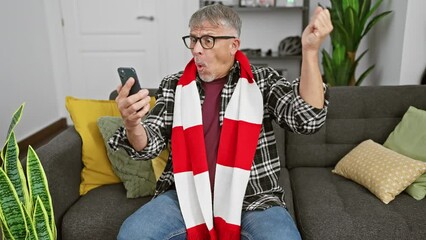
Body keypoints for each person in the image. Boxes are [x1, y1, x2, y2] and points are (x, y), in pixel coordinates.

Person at [110, 4, 332, 240]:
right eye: (193, 39)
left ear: (233, 45)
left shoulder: (262, 80)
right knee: (132, 234)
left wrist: (309, 52)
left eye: (207, 40)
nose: (196, 49)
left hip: (253, 195)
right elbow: (149, 144)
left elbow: (307, 120)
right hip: (187, 194)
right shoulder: (175, 85)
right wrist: (133, 124)